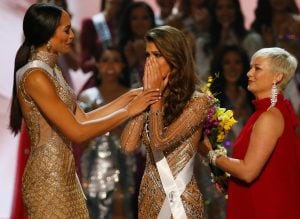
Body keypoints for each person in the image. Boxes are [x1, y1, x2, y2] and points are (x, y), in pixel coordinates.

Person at [9, 3, 160, 217]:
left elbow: (83, 116)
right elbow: (77, 132)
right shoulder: (35, 76)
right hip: (48, 178)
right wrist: (128, 111)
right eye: (66, 30)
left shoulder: (52, 71)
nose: (72, 36)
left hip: (64, 174)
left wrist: (127, 98)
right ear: (49, 34)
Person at [120, 25, 212, 219]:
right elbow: (128, 146)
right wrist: (147, 96)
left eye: (157, 55)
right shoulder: (149, 97)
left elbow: (159, 142)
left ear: (175, 60)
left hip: (180, 200)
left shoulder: (198, 102)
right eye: (147, 55)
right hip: (148, 198)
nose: (150, 62)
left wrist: (155, 101)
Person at [200, 47, 300, 219]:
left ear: (278, 77)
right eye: (251, 67)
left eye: (257, 68)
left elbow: (248, 172)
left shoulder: (270, 116)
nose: (248, 73)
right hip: (262, 202)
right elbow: (269, 170)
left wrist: (210, 153)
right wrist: (232, 182)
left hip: (268, 209)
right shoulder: (267, 112)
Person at [77, 46, 136, 218]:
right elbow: (81, 139)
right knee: (94, 208)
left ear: (124, 65)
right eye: (105, 60)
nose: (110, 66)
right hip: (94, 166)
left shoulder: (130, 96)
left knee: (121, 205)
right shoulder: (87, 96)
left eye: (116, 60)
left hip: (123, 163)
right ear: (97, 65)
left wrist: (105, 120)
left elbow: (133, 139)